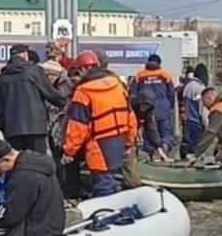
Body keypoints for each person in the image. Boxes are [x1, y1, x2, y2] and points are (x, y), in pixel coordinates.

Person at [63, 51, 137, 197]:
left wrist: (69, 151)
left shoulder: (83, 91)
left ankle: (107, 213)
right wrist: (128, 142)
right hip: (119, 140)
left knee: (102, 185)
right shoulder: (117, 85)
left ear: (83, 69)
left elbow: (78, 126)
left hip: (99, 145)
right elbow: (131, 117)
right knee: (111, 179)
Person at [0, 44, 67, 154]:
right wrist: (65, 102)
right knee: (38, 162)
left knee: (18, 163)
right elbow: (50, 93)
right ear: (25, 55)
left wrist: (5, 126)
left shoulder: (2, 77)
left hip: (13, 129)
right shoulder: (34, 71)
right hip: (36, 127)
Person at [0, 140, 65, 236]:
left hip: (35, 232)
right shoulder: (34, 161)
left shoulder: (22, 177)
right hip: (48, 224)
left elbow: (10, 216)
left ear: (6, 160)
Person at [129, 53, 176, 154]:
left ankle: (148, 157)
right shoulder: (165, 74)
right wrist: (169, 106)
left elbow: (133, 94)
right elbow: (171, 93)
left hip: (146, 109)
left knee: (148, 134)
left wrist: (137, 110)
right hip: (164, 109)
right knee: (165, 133)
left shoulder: (139, 75)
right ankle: (164, 149)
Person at [131, 89, 171, 163]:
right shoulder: (129, 108)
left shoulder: (147, 113)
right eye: (144, 105)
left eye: (147, 106)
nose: (144, 108)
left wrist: (159, 149)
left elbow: (151, 130)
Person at [181, 64, 208, 159]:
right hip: (197, 124)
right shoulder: (200, 88)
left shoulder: (187, 86)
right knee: (195, 152)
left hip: (187, 122)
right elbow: (202, 109)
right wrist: (207, 125)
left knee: (186, 148)